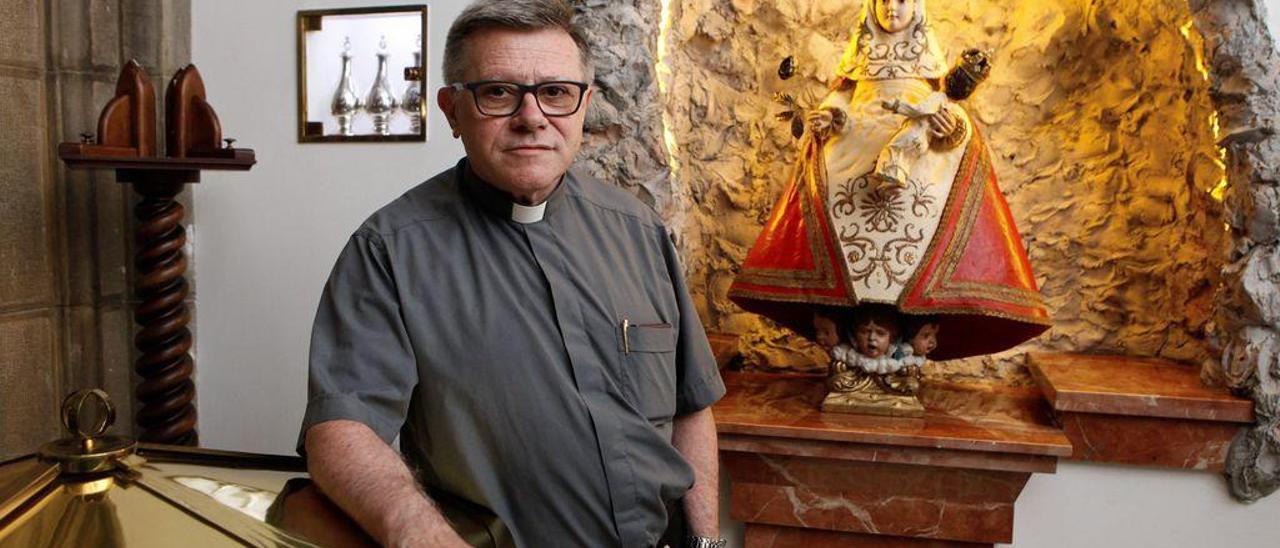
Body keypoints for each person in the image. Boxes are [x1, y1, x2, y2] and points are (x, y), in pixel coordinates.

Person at [298, 2, 727, 547]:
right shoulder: (388, 251)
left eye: (555, 92)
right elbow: (341, 430)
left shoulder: (638, 231)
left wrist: (707, 543)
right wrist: (418, 532)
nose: (532, 117)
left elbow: (691, 408)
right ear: (452, 111)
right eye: (498, 92)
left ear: (583, 105)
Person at [728, 0, 1050, 362]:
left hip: (916, 163)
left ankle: (905, 329)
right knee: (828, 185)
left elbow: (948, 110)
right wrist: (829, 117)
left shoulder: (933, 70)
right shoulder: (858, 61)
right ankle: (846, 321)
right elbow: (842, 97)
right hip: (853, 155)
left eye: (901, 1)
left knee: (930, 194)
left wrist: (952, 130)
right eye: (882, 1)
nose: (891, 9)